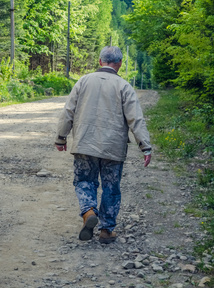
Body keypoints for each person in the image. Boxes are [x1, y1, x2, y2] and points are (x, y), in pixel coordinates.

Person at [55, 46, 152, 244]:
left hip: (84, 144)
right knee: (111, 188)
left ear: (100, 62)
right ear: (120, 64)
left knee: (84, 181)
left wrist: (61, 137)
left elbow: (68, 112)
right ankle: (107, 230)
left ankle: (89, 211)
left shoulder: (83, 81)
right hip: (113, 148)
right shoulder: (124, 86)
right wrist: (145, 146)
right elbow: (136, 119)